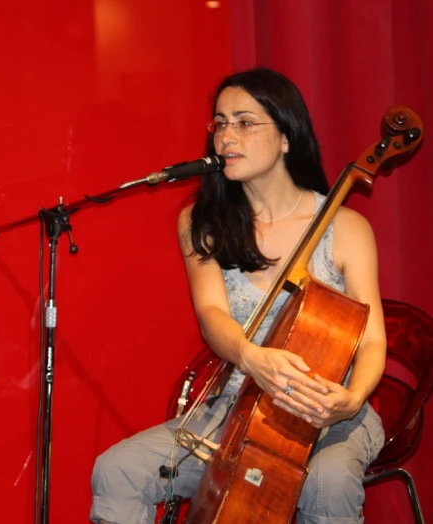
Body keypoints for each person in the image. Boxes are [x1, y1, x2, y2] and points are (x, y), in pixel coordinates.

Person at [90, 67, 386, 524]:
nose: (227, 136)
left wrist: (350, 399)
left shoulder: (345, 228)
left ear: (286, 136)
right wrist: (250, 358)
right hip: (237, 404)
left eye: (245, 122)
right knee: (119, 470)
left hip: (333, 413)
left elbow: (370, 342)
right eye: (220, 123)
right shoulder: (201, 222)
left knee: (325, 482)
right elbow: (211, 314)